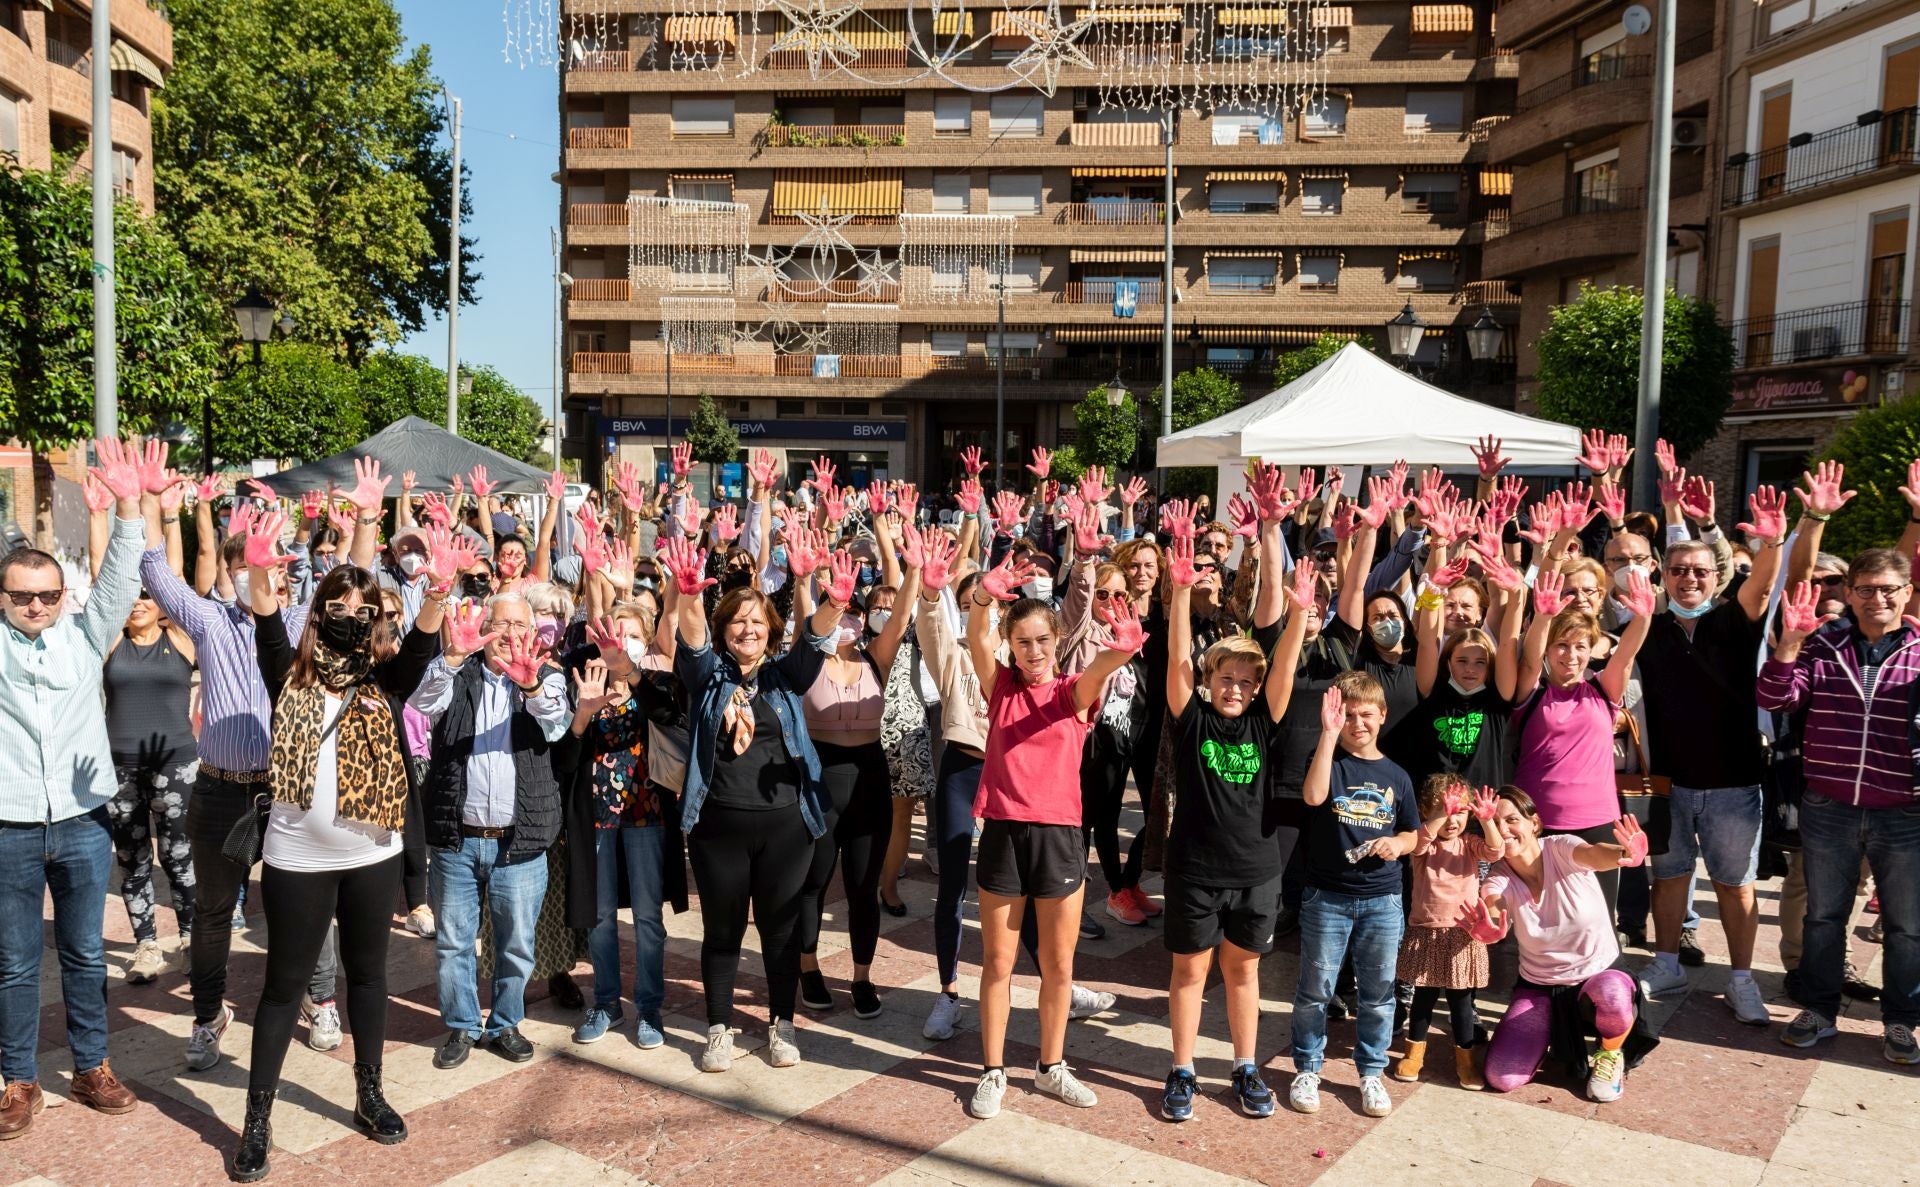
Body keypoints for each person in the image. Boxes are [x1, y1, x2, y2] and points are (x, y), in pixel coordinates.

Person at [227, 518, 461, 1181]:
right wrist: (257, 569)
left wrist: (437, 590)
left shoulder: (384, 678)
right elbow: (267, 621)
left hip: (372, 854)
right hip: (297, 857)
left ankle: (369, 1093)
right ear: (319, 610)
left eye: (365, 610)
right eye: (340, 606)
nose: (353, 618)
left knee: (369, 977)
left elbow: (420, 646)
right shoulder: (288, 672)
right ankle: (257, 1119)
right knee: (282, 989)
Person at [144, 460, 390, 1071]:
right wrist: (147, 505)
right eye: (247, 564)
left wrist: (364, 519)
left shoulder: (301, 624)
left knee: (311, 908)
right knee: (210, 913)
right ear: (232, 572)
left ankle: (320, 998)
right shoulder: (207, 619)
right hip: (220, 790)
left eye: (273, 564)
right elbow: (155, 570)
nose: (260, 571)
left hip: (286, 790)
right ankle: (208, 1016)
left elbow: (354, 587)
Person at [0, 436, 154, 1139]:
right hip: (9, 825)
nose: (36, 605)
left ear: (62, 596)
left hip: (83, 823)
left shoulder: (85, 637)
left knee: (87, 953)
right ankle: (19, 1079)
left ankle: (93, 1066)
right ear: (4, 597)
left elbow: (120, 577)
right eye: (22, 596)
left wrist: (130, 506)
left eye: (47, 595)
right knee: (14, 962)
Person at [959, 550, 1145, 1120]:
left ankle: (1051, 1066)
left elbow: (1099, 670)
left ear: (1057, 640)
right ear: (1011, 646)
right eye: (1023, 642)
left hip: (1060, 837)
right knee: (998, 962)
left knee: (1060, 967)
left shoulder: (1071, 693)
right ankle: (993, 1071)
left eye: (1042, 640)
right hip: (1004, 834)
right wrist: (983, 597)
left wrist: (1124, 648)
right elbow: (976, 637)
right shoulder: (1001, 687)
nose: (1033, 651)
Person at [666, 530, 845, 1073]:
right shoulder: (707, 678)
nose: (747, 628)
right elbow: (693, 645)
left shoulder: (784, 677)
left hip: (786, 827)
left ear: (770, 629)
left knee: (780, 931)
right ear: (725, 629)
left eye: (757, 621)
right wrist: (690, 597)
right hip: (717, 826)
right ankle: (719, 1027)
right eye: (737, 621)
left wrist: (829, 598)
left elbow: (814, 640)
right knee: (722, 931)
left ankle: (781, 1024)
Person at [1157, 504, 1312, 1124]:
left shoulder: (1263, 720)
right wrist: (1179, 592)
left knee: (1243, 971)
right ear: (1210, 677)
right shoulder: (1190, 716)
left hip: (1255, 870)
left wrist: (1297, 615)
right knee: (1189, 972)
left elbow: (1285, 668)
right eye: (1227, 677)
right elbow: (1177, 658)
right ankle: (1182, 1070)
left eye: (1247, 681)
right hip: (1194, 868)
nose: (1236, 688)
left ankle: (1245, 1067)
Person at [1630, 485, 1793, 1026]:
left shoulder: (1733, 620)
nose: (1689, 579)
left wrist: (1772, 542)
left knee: (1734, 884)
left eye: (1700, 571)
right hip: (1667, 783)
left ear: (1716, 576)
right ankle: (1667, 963)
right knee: (1669, 877)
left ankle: (1742, 979)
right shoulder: (1647, 628)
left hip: (1733, 783)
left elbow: (1763, 584)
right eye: (1679, 571)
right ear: (1664, 575)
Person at [1757, 558, 1919, 1066]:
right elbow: (1775, 697)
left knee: (1907, 926)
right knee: (1824, 918)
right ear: (1850, 593)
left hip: (1904, 811)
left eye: (1888, 589)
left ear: (1907, 591)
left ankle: (1901, 1020)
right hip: (1830, 806)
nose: (1878, 599)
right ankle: (1819, 1010)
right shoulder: (1823, 644)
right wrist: (1789, 642)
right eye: (1866, 589)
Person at [410, 590, 573, 1070]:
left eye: (520, 625)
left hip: (519, 843)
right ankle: (463, 1025)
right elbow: (422, 703)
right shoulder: (457, 673)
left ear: (533, 632)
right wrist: (452, 656)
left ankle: (505, 1024)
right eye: (501, 624)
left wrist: (530, 685)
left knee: (516, 944)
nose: (510, 634)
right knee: (454, 943)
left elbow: (557, 724)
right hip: (457, 839)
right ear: (484, 631)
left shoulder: (547, 678)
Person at [793, 510, 921, 1018]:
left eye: (853, 614)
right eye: (839, 612)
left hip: (869, 776)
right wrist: (806, 579)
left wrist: (913, 569)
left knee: (863, 886)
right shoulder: (809, 658)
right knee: (814, 881)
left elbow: (903, 615)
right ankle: (808, 967)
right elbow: (806, 615)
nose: (846, 621)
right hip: (821, 776)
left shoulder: (875, 657)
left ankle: (863, 977)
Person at [1467, 788, 1658, 1102]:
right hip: (1540, 986)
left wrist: (1624, 853)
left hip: (1599, 974)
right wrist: (1490, 926)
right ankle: (1546, 1037)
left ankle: (1611, 1053)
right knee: (1502, 1077)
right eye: (1494, 823)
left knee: (1612, 994)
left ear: (1534, 823)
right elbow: (1494, 903)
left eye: (1512, 820)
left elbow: (1595, 854)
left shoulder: (1561, 847)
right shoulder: (1499, 877)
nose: (1503, 830)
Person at [1289, 673, 1419, 1119]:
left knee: (1379, 993)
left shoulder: (1397, 775)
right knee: (1315, 989)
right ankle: (1307, 1067)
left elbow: (1413, 833)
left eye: (1366, 714)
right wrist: (1328, 734)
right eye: (1348, 715)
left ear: (1382, 716)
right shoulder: (1327, 760)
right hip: (1327, 897)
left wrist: (1398, 844)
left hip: (1383, 899)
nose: (1357, 723)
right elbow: (1313, 796)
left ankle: (1371, 1072)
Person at [564, 610, 687, 1050]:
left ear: (645, 640)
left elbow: (667, 713)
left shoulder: (656, 681)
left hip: (646, 817)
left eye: (632, 634)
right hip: (596, 819)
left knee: (648, 918)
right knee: (599, 917)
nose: (622, 640)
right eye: (615, 633)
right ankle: (606, 1002)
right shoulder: (584, 682)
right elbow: (565, 756)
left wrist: (630, 671)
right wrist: (583, 714)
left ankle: (649, 1007)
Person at [1511, 568, 1656, 914]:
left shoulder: (1603, 690)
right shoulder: (1532, 692)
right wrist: (1542, 619)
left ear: (1591, 651)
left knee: (1596, 920)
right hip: (1538, 822)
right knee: (1542, 920)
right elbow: (1529, 661)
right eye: (1561, 645)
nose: (1571, 655)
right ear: (1549, 650)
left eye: (1580, 646)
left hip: (1598, 822)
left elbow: (1626, 655)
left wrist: (1643, 617)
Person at [103, 582, 200, 984]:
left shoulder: (179, 638)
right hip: (119, 770)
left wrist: (167, 527)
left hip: (175, 767)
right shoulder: (112, 641)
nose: (137, 601)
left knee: (179, 858)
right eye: (131, 594)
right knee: (132, 860)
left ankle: (192, 940)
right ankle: (146, 945)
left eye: (146, 593)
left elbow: (172, 577)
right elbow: (103, 580)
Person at [1390, 778, 1502, 1089]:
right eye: (1444, 811)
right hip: (1427, 933)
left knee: (1461, 1003)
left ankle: (1465, 1060)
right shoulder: (1423, 845)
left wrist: (1487, 820)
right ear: (1426, 811)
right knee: (1423, 999)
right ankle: (1414, 1054)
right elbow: (1420, 839)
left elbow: (1495, 851)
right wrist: (1441, 815)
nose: (1452, 820)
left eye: (1460, 812)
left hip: (1462, 936)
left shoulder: (1470, 844)